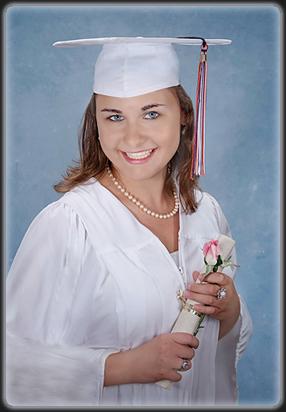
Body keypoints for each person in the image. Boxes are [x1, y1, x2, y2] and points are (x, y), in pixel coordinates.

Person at [5, 37, 253, 407]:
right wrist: (123, 366)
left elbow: (226, 345)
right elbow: (11, 362)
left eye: (151, 113)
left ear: (184, 115)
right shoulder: (68, 224)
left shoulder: (205, 212)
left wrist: (228, 306)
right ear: (97, 122)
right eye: (114, 116)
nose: (132, 136)